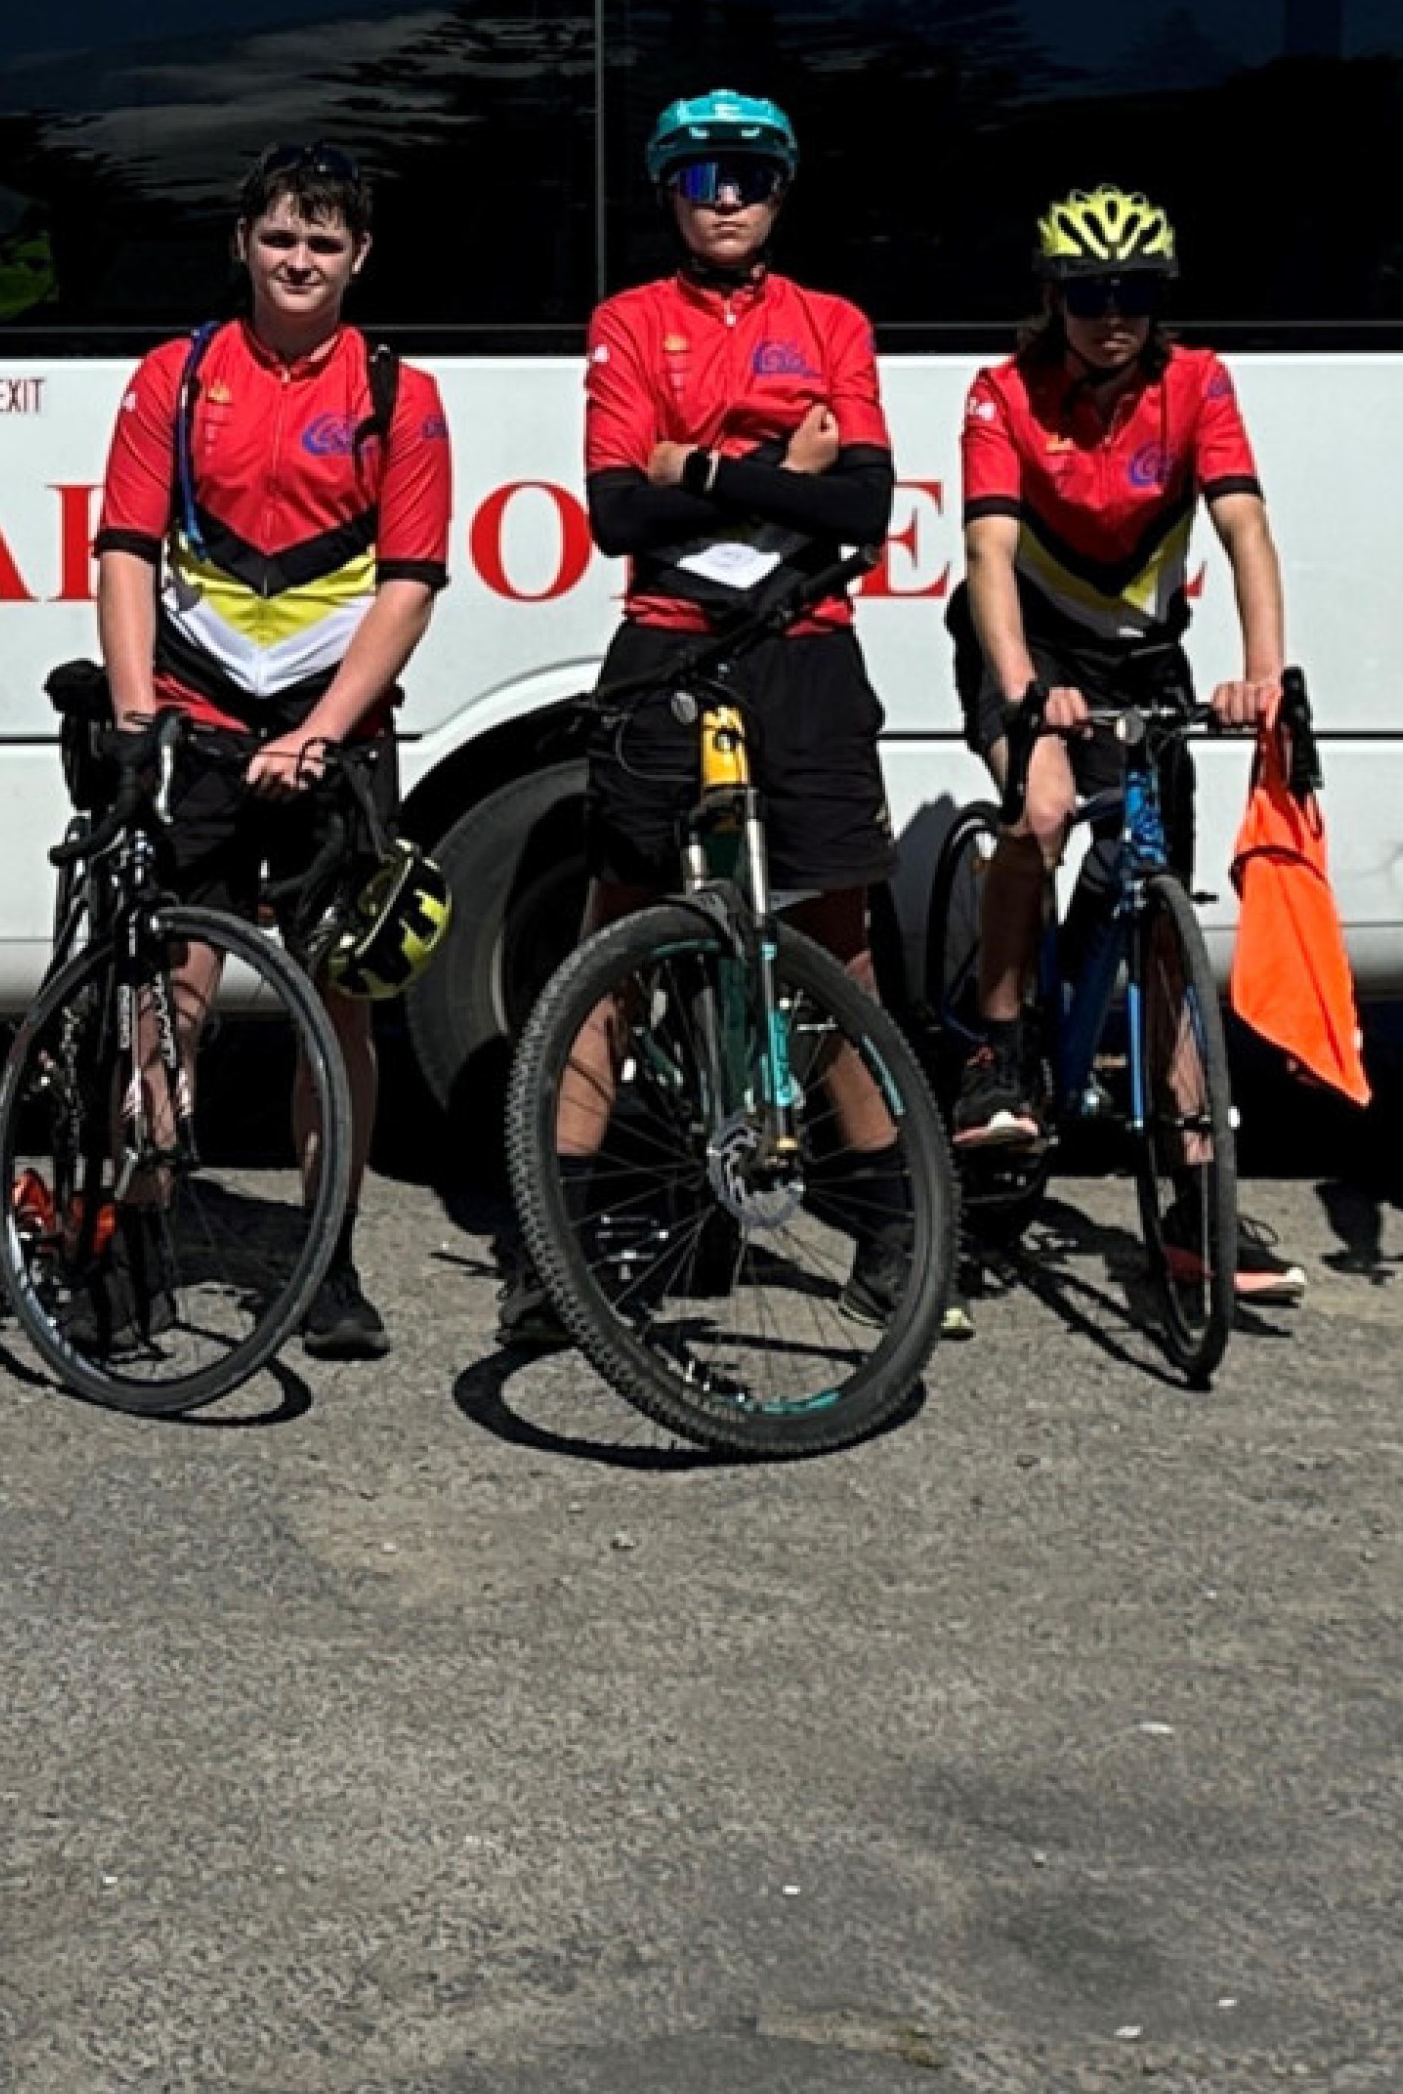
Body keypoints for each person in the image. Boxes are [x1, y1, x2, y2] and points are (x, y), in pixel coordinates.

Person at [522, 87, 913, 1352]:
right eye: (700, 177)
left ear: (781, 190)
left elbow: (863, 507)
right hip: (671, 648)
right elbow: (615, 515)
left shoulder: (833, 323)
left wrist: (699, 466)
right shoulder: (630, 321)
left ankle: (897, 1225)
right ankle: (557, 1241)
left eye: (747, 175)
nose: (726, 195)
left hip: (806, 653)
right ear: (669, 195)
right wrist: (779, 475)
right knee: (620, 933)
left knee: (840, 936)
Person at [93, 140, 455, 1364]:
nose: (299, 260)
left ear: (360, 258)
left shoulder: (399, 391)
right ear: (242, 242)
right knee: (170, 991)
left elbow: (408, 586)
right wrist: (140, 718)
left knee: (336, 1000)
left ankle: (330, 1257)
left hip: (329, 721)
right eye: (281, 237)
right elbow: (127, 554)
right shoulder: (175, 376)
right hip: (195, 710)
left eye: (325, 242)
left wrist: (320, 729)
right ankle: (141, 1237)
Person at [950, 185, 1294, 1299]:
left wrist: (1265, 674)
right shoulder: (1004, 392)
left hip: (1144, 658)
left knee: (1159, 920)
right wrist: (1021, 693)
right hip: (1026, 646)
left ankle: (1197, 1203)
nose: (1114, 317)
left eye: (1136, 296)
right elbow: (991, 558)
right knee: (1042, 811)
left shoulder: (1198, 384)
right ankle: (997, 1053)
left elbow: (1244, 527)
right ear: (1052, 298)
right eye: (1091, 295)